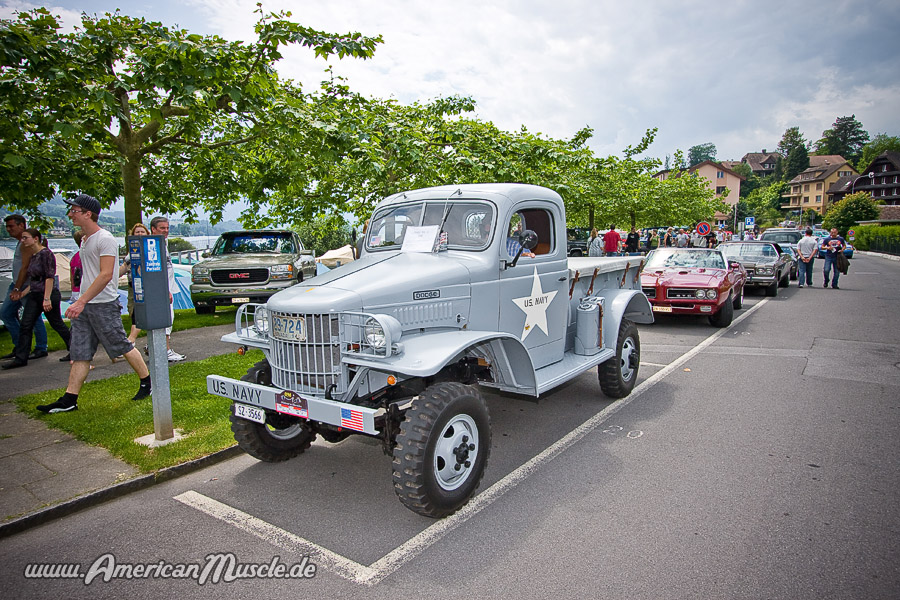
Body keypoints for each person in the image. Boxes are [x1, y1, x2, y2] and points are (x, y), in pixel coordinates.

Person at [36, 194, 151, 414]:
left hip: (103, 304)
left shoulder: (104, 238)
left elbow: (107, 274)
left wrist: (81, 301)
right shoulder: (85, 239)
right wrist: (81, 301)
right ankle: (70, 398)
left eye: (75, 211)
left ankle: (147, 383)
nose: (70, 215)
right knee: (79, 351)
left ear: (88, 214)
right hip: (86, 304)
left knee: (121, 345)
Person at [2, 229, 71, 369]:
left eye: (25, 238)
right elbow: (34, 280)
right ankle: (21, 357)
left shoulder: (46, 254)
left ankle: (75, 349)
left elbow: (49, 277)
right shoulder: (33, 255)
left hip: (47, 294)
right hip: (34, 294)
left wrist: (47, 299)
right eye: (22, 238)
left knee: (56, 323)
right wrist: (23, 293)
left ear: (36, 239)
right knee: (26, 325)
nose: (23, 241)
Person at [1, 214, 48, 360]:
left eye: (11, 226)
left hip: (25, 286)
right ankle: (20, 346)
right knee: (6, 313)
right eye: (7, 227)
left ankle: (41, 347)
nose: (8, 230)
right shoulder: (20, 242)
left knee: (33, 317)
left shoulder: (25, 244)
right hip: (16, 284)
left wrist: (17, 288)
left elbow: (25, 267)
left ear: (21, 225)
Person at [149, 216, 185, 362]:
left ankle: (155, 347)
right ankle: (166, 350)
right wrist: (165, 290)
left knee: (167, 319)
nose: (166, 231)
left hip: (168, 287)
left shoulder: (163, 243)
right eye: (162, 228)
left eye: (167, 228)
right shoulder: (152, 245)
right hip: (162, 290)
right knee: (166, 320)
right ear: (153, 229)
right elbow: (156, 270)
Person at [119, 223, 150, 346]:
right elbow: (125, 266)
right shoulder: (132, 250)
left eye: (142, 232)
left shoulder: (149, 247)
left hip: (145, 285)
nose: (140, 234)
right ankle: (132, 340)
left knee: (139, 313)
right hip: (133, 285)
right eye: (137, 232)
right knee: (133, 310)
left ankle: (131, 340)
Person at [69, 230, 84, 303]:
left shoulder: (74, 257)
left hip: (75, 290)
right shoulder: (86, 256)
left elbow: (71, 277)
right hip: (84, 292)